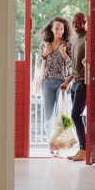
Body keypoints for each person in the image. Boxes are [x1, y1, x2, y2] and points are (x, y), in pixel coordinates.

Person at [36, 16, 72, 156]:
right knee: (49, 116)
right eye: (57, 28)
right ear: (51, 29)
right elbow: (39, 65)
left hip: (63, 82)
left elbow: (72, 67)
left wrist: (64, 55)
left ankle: (64, 144)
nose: (59, 31)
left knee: (63, 114)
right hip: (48, 82)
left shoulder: (67, 45)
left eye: (61, 28)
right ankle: (52, 146)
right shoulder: (45, 45)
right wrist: (45, 53)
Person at [60, 12, 87, 161]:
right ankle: (82, 149)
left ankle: (84, 149)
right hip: (75, 83)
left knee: (75, 115)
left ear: (85, 22)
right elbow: (75, 67)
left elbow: (91, 61)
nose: (76, 25)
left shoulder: (88, 37)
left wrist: (89, 62)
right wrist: (67, 81)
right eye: (74, 23)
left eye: (79, 22)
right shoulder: (75, 39)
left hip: (84, 83)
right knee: (78, 116)